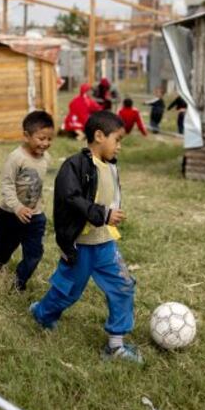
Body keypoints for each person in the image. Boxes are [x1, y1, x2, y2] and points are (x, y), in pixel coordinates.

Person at [29, 110, 143, 364]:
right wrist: (102, 213)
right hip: (81, 246)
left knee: (123, 286)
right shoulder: (74, 165)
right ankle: (42, 314)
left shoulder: (110, 165)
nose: (120, 147)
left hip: (105, 244)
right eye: (118, 140)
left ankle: (115, 346)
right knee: (68, 291)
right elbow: (71, 198)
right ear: (99, 136)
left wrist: (108, 217)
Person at [0, 110, 55, 291]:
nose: (46, 143)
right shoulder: (16, 158)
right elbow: (7, 186)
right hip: (10, 214)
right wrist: (17, 207)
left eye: (49, 139)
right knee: (3, 248)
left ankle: (18, 284)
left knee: (34, 253)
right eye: (41, 138)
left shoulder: (46, 158)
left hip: (34, 215)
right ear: (26, 136)